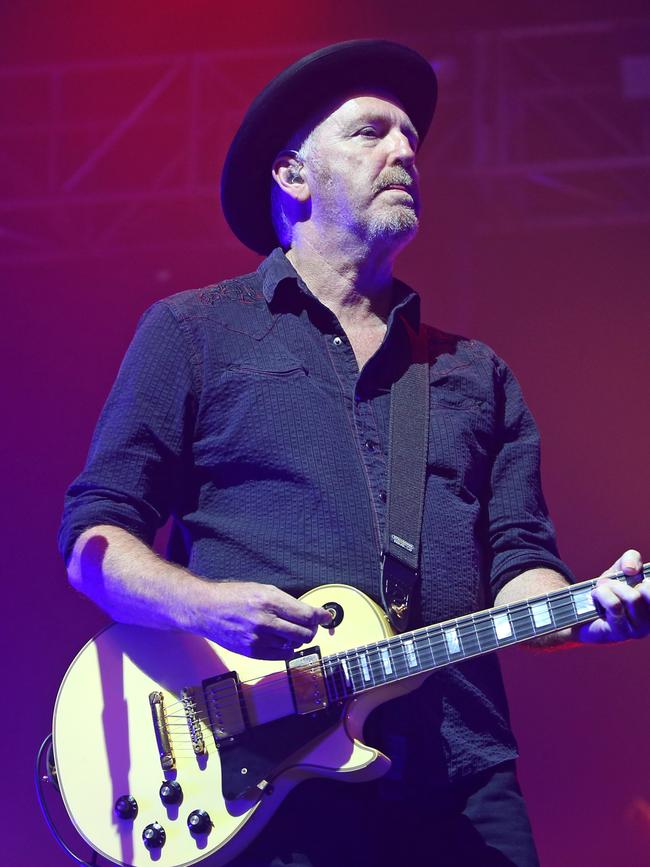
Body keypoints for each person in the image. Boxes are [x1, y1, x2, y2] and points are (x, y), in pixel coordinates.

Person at [59, 40, 649, 866]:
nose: (406, 150)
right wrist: (207, 605)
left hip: (460, 772)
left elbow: (521, 567)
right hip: (268, 769)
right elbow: (94, 544)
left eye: (411, 136)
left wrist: (591, 608)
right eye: (373, 132)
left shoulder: (475, 374)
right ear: (293, 176)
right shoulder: (195, 332)